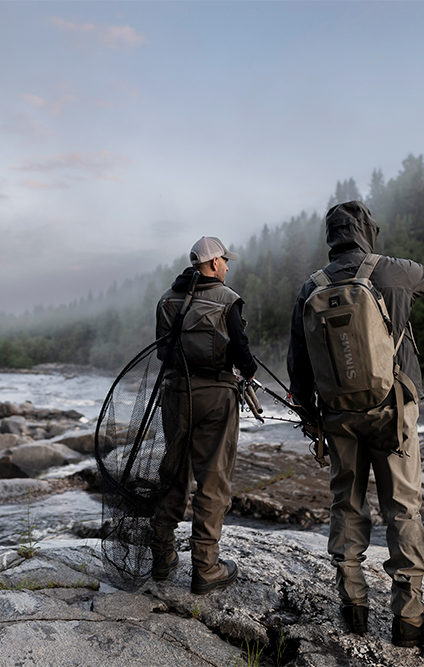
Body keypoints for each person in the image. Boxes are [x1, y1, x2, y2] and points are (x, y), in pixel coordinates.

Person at [287, 201, 424, 647]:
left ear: (332, 237)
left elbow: (298, 363)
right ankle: (407, 621)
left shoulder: (310, 287)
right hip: (393, 409)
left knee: (347, 505)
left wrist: (311, 417)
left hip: (337, 415)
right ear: (366, 232)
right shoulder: (393, 270)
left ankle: (353, 607)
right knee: (402, 508)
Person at [151, 236, 258, 594]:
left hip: (175, 394)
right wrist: (250, 370)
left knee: (174, 472)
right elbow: (243, 355)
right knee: (212, 480)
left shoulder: (167, 300)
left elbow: (162, 352)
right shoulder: (228, 300)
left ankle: (163, 557)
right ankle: (206, 568)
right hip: (216, 396)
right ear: (212, 264)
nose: (227, 266)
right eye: (224, 261)